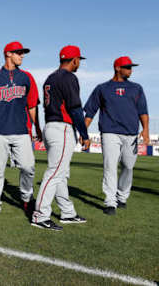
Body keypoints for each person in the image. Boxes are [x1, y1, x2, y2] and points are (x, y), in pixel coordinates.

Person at [0, 41, 41, 219]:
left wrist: (38, 127)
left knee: (28, 167)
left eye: (22, 53)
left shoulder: (27, 77)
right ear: (8, 54)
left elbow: (33, 106)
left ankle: (27, 197)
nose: (22, 56)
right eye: (19, 53)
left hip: (22, 131)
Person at [31, 45, 90, 231]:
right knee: (55, 173)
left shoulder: (51, 77)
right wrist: (84, 134)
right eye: (79, 59)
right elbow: (75, 108)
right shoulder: (69, 77)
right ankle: (40, 215)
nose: (79, 63)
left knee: (61, 173)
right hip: (62, 127)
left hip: (51, 126)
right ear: (74, 60)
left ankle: (67, 212)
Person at [84, 56, 149, 216]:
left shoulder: (137, 88)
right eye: (127, 67)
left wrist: (145, 129)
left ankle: (122, 196)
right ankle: (110, 202)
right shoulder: (102, 88)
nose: (130, 70)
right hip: (109, 132)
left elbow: (143, 111)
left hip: (131, 133)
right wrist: (83, 131)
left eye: (131, 67)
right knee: (110, 166)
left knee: (128, 166)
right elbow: (90, 111)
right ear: (117, 68)